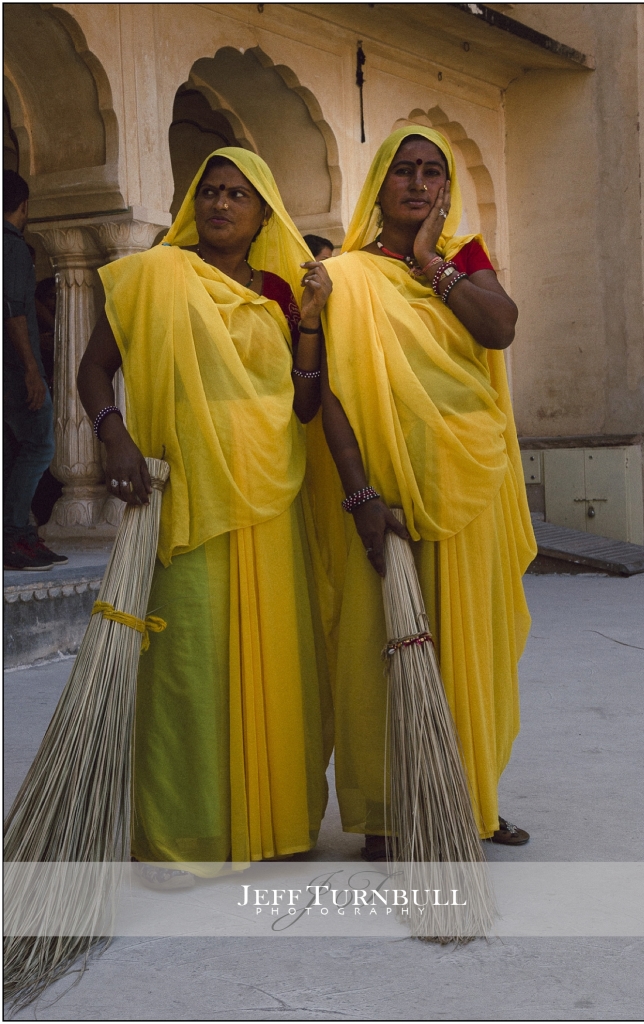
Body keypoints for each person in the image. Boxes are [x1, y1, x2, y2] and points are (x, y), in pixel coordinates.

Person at [77, 148, 333, 888]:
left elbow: (306, 403)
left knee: (277, 663)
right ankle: (182, 836)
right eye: (212, 191)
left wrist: (311, 325)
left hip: (269, 495)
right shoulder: (156, 275)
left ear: (263, 215)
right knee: (186, 667)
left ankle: (274, 824)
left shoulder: (283, 294)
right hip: (186, 495)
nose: (222, 204)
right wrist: (113, 433)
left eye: (239, 195)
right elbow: (95, 367)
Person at [309, 126, 537, 860]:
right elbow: (334, 399)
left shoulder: (463, 260)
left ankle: (471, 799)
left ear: (447, 188)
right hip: (384, 493)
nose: (416, 183)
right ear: (378, 186)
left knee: (472, 647)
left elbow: (498, 329)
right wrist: (358, 496)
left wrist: (430, 262)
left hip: (470, 485)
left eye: (431, 172)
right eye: (402, 171)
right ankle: (384, 814)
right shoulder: (343, 274)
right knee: (380, 650)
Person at [3, 169, 66, 570]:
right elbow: (15, 311)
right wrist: (30, 368)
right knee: (41, 444)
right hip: (13, 365)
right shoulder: (11, 247)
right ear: (23, 206)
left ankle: (21, 534)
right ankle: (13, 535)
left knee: (19, 447)